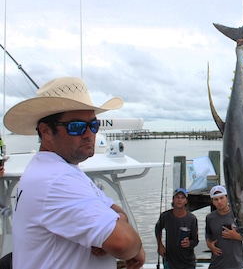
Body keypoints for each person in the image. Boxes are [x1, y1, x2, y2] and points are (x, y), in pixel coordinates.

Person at [4, 77, 145, 269]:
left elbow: (116, 211)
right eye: (76, 127)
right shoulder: (56, 180)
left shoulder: (59, 170)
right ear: (46, 132)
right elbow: (124, 243)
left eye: (93, 125)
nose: (89, 134)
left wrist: (114, 225)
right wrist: (136, 247)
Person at [155, 187, 199, 269]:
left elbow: (195, 241)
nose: (179, 200)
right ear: (173, 200)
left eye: (182, 198)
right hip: (170, 261)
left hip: (188, 262)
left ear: (186, 201)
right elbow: (157, 229)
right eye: (177, 197)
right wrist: (160, 245)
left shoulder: (192, 218)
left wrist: (189, 243)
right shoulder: (165, 216)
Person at [205, 185, 243, 269]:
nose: (219, 202)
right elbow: (208, 235)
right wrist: (209, 245)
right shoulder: (210, 217)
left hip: (236, 265)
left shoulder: (238, 215)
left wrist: (236, 236)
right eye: (216, 199)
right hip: (216, 265)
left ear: (227, 198)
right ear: (212, 201)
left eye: (221, 198)